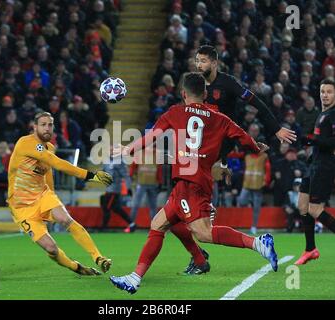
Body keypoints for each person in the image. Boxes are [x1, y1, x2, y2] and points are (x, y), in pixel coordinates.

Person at [109, 73, 278, 294]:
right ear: (205, 94)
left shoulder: (175, 113)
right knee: (157, 224)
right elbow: (244, 137)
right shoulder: (220, 118)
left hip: (190, 183)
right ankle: (135, 278)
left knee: (204, 233)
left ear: (183, 94)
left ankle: (258, 243)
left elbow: (152, 137)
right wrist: (257, 148)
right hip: (194, 181)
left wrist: (127, 150)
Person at [167, 45, 296, 274]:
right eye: (197, 60)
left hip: (213, 152)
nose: (199, 65)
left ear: (215, 63)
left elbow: (255, 103)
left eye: (204, 61)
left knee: (179, 216)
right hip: (196, 152)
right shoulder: (193, 84)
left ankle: (201, 251)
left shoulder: (228, 84)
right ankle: (199, 253)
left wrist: (275, 129)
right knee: (172, 214)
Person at [7, 111, 113, 276]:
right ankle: (76, 267)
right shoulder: (25, 143)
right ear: (34, 127)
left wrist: (52, 200)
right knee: (51, 249)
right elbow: (56, 163)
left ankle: (98, 257)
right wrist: (90, 175)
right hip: (21, 206)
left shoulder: (50, 148)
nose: (47, 128)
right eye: (43, 125)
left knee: (65, 219)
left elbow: (47, 173)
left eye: (50, 125)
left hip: (42, 195)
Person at [295, 79, 335, 265]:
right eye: (322, 91)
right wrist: (311, 154)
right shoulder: (323, 114)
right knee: (302, 205)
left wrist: (311, 141)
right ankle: (310, 249)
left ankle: (311, 249)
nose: (325, 95)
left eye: (329, 92)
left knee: (315, 209)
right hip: (315, 164)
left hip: (326, 166)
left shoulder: (333, 115)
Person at [125, 146, 163, 233]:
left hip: (153, 184)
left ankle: (155, 227)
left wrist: (160, 182)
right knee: (136, 205)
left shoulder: (156, 155)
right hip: (141, 184)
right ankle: (131, 225)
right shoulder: (140, 155)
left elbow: (159, 170)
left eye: (152, 146)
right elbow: (133, 167)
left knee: (153, 207)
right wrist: (131, 177)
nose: (151, 149)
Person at [100, 149, 136, 231]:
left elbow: (126, 176)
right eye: (110, 150)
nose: (111, 152)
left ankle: (104, 227)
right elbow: (103, 172)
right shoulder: (106, 161)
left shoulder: (120, 162)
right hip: (109, 189)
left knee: (107, 207)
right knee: (116, 208)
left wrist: (129, 188)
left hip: (114, 189)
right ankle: (132, 224)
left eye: (113, 150)